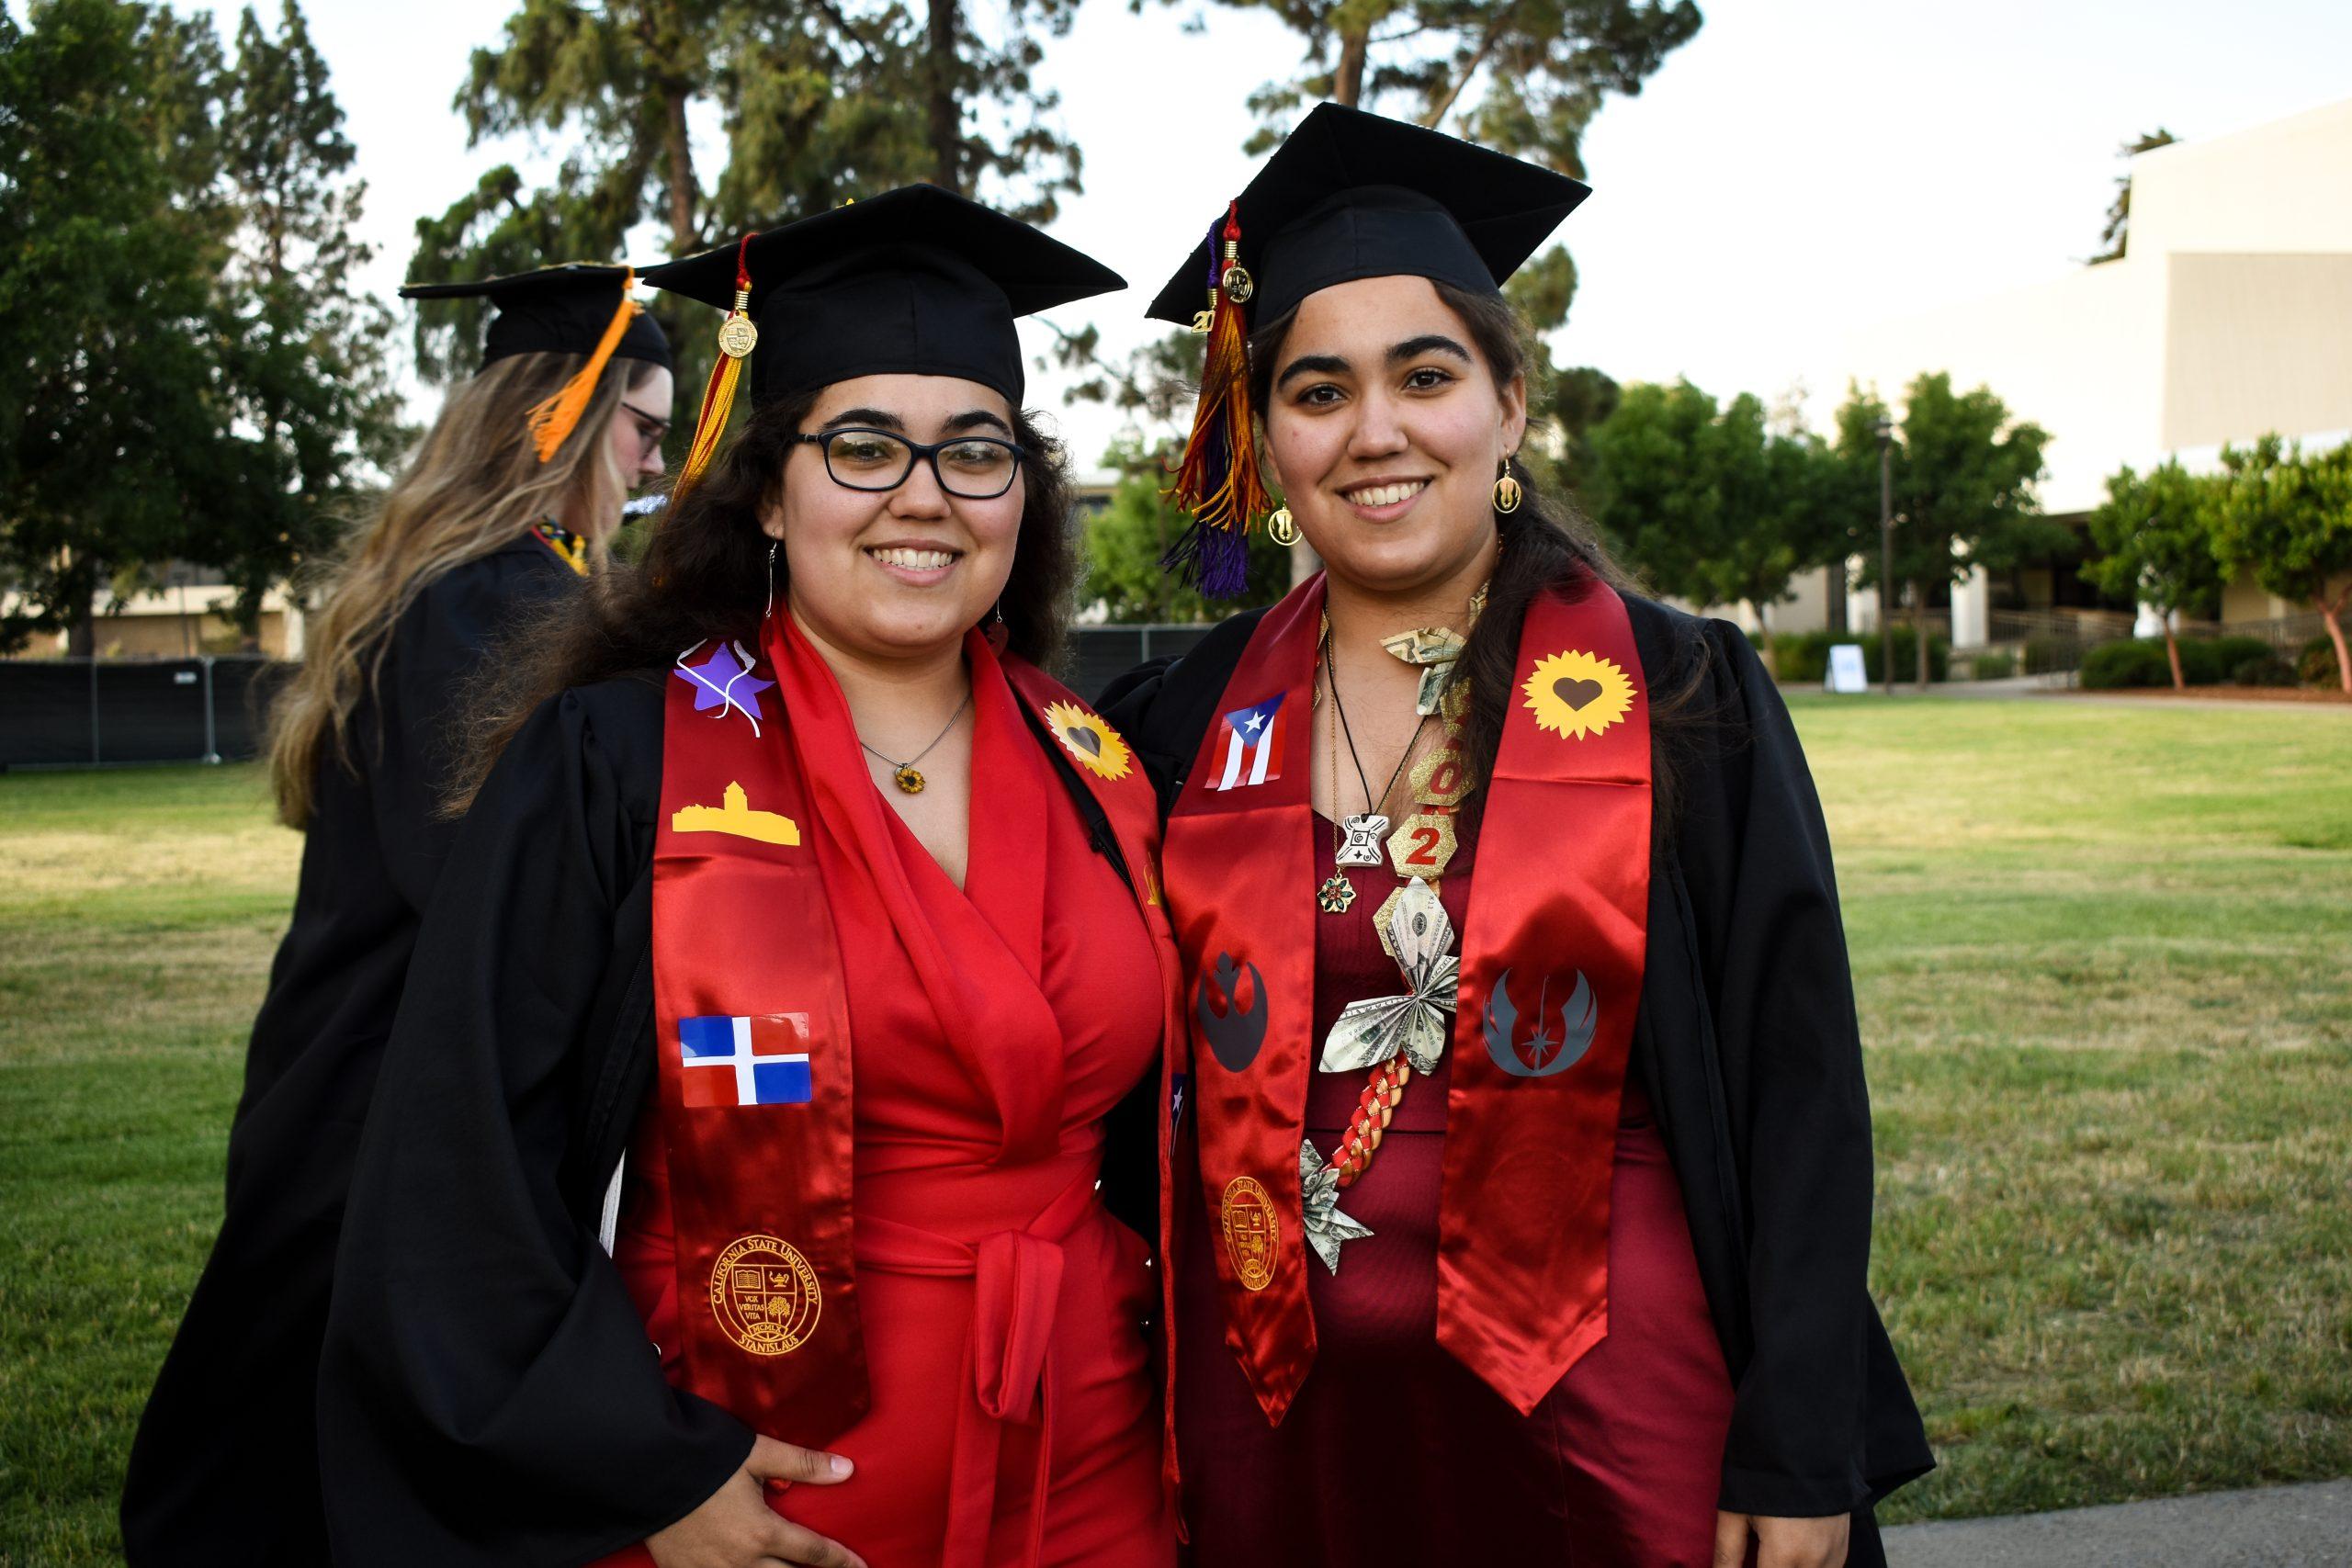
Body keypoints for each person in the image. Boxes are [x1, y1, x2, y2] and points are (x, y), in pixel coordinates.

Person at [1099, 106, 1935, 1568]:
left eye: (1426, 375)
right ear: (1264, 432)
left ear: (1509, 404)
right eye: (1316, 390)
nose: (1376, 431)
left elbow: (1799, 1083)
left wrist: (1802, 1441)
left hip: (1607, 1390)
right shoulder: (1179, 723)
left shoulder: (1679, 693)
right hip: (1281, 1406)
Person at [314, 186, 1181, 1568]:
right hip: (754, 1484)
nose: (924, 494)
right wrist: (634, 1471)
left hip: (1094, 1467)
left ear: (1023, 491)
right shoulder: (615, 766)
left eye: (977, 452)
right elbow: (459, 1166)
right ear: (770, 490)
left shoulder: (1106, 767)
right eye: (861, 446)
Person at [120, 265, 673, 1568]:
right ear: (566, 416)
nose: (652, 467)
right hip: (385, 1112)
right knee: (326, 1457)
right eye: (643, 428)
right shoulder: (505, 608)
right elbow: (500, 899)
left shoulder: (458, 585)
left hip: (333, 1076)